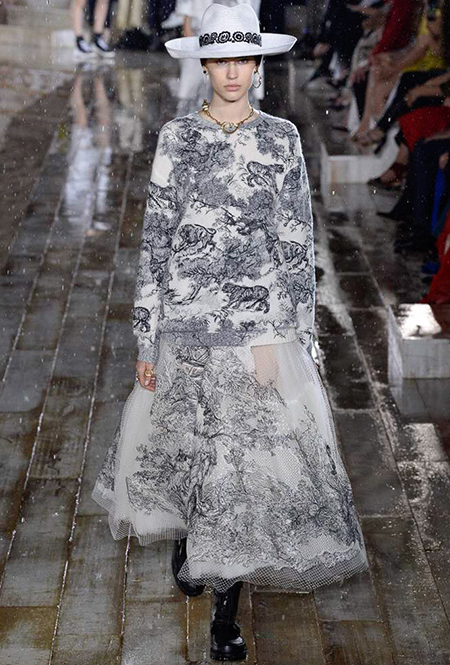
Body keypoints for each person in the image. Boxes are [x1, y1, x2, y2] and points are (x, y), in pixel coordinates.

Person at [92, 3, 368, 661]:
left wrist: (289, 334)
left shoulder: (281, 139)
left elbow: (295, 240)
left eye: (244, 58)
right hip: (184, 325)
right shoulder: (177, 138)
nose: (234, 71)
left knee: (240, 467)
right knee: (191, 449)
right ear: (205, 64)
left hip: (254, 328)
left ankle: (225, 609)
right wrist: (147, 336)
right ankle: (192, 537)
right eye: (221, 59)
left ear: (257, 62)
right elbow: (156, 240)